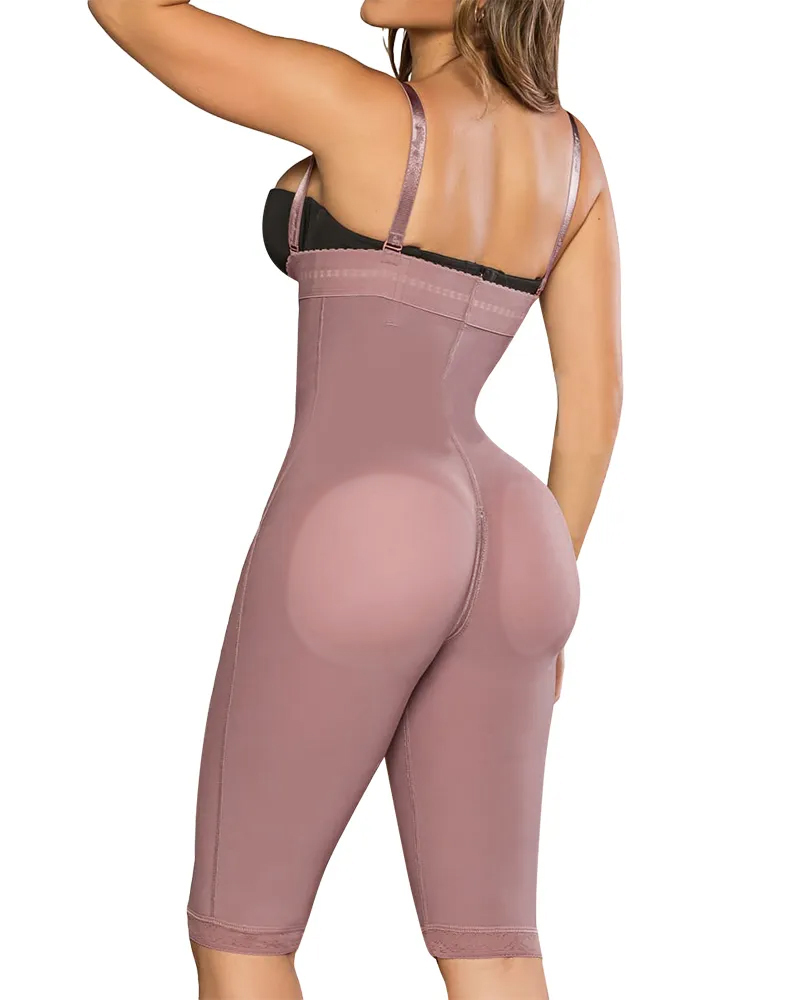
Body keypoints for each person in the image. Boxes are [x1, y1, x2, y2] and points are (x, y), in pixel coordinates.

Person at [87, 0, 622, 996]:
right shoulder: (576, 162)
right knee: (494, 944)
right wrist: (548, 614)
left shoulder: (357, 106)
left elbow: (130, 12)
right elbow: (593, 407)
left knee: (243, 930)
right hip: (524, 544)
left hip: (364, 526)